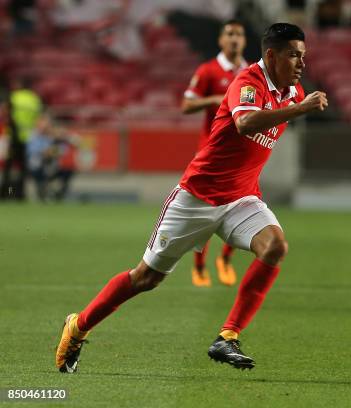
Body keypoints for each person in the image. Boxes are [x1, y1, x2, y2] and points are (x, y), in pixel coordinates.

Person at [55, 22, 328, 373]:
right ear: (271, 55)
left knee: (275, 246)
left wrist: (297, 104)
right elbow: (246, 125)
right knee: (145, 279)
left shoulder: (292, 92)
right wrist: (301, 109)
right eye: (294, 55)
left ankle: (227, 337)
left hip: (240, 200)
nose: (301, 63)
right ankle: (77, 327)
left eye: (303, 56)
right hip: (196, 198)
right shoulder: (248, 83)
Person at [181, 20, 248, 288]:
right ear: (221, 40)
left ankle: (226, 259)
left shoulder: (250, 73)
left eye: (239, 34)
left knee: (245, 209)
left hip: (242, 157)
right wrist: (213, 99)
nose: (234, 39)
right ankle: (199, 266)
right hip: (211, 155)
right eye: (230, 34)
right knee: (207, 215)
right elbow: (186, 105)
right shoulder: (208, 70)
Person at [0, 76, 43, 201]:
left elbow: (5, 114)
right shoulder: (34, 99)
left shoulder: (14, 97)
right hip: (29, 138)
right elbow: (39, 118)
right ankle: (20, 194)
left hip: (14, 136)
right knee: (23, 169)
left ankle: (6, 193)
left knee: (9, 168)